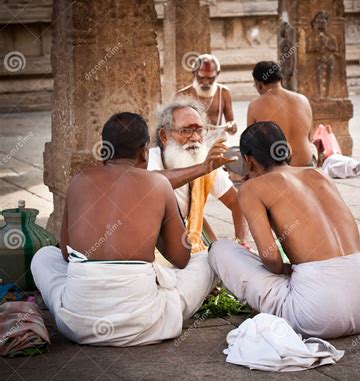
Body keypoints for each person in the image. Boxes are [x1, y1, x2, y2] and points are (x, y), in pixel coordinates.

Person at [31, 112, 215, 347]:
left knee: (44, 257)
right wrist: (156, 230)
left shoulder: (79, 181)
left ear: (105, 151)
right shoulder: (159, 184)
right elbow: (181, 259)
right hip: (145, 324)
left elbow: (66, 255)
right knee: (207, 258)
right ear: (143, 152)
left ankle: (83, 298)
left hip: (78, 325)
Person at [209, 122, 360, 339]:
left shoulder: (251, 188)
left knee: (219, 249)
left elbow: (271, 260)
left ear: (248, 160)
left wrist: (288, 270)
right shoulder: (319, 175)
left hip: (318, 316)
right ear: (286, 150)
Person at [148, 97, 249, 252]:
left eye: (199, 130)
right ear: (164, 136)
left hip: (189, 238)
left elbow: (237, 204)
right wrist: (202, 168)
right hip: (153, 242)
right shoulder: (150, 160)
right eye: (186, 131)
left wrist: (241, 242)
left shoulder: (205, 163)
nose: (195, 138)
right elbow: (156, 182)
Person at [247, 61, 316, 167]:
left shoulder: (254, 106)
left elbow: (250, 145)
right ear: (281, 79)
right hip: (306, 164)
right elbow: (310, 137)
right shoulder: (303, 100)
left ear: (259, 84)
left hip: (276, 170)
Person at [176, 54, 237, 144]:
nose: (206, 82)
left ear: (217, 74)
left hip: (216, 145)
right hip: (190, 145)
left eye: (210, 78)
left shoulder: (224, 93)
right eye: (201, 78)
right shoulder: (182, 95)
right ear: (194, 73)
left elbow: (232, 127)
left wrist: (231, 127)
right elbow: (174, 128)